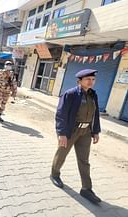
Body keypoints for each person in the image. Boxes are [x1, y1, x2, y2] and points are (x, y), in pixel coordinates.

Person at [50, 69, 102, 204]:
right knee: (62, 154)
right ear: (79, 81)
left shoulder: (93, 94)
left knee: (84, 160)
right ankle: (54, 174)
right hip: (71, 131)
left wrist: (95, 131)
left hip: (86, 132)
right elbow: (61, 114)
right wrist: (61, 133)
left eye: (93, 79)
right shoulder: (71, 94)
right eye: (88, 79)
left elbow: (95, 114)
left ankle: (86, 189)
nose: (91, 82)